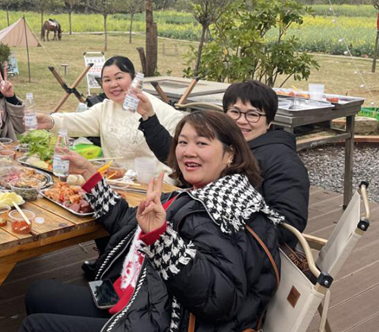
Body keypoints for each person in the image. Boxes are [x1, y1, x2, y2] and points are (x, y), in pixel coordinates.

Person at [20, 111, 282, 332]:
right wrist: (90, 174)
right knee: (38, 292)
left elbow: (219, 299)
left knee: (35, 325)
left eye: (202, 143)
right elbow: (130, 224)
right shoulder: (200, 194)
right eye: (182, 142)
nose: (189, 152)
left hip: (158, 319)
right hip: (135, 293)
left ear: (230, 154)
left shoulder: (222, 211)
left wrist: (160, 237)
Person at [135, 79, 310, 246]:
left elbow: (289, 223)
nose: (241, 120)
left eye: (253, 114)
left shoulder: (282, 159)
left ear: (269, 122)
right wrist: (149, 119)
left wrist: (222, 232)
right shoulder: (224, 147)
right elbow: (180, 158)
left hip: (246, 257)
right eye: (235, 112)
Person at [35, 56, 183, 174]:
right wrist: (49, 121)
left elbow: (177, 152)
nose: (113, 84)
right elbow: (76, 121)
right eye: (107, 80)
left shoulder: (159, 110)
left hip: (154, 185)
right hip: (115, 181)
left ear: (133, 78)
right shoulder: (104, 109)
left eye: (119, 78)